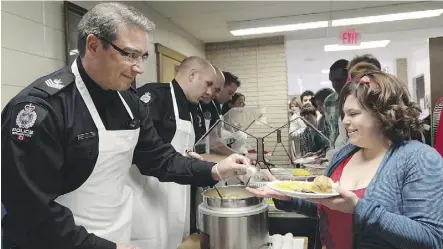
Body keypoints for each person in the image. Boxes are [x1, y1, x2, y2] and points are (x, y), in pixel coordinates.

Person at [1, 3, 252, 249]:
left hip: (117, 235)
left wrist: (215, 169)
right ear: (93, 45)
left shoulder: (129, 101)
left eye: (142, 56)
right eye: (130, 54)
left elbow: (158, 158)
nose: (139, 68)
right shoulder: (43, 109)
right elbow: (30, 211)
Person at [248, 62, 443, 249]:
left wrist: (359, 209)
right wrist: (290, 197)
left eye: (354, 113)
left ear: (385, 113)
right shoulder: (344, 154)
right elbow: (326, 205)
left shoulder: (419, 159)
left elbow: (432, 239)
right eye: (344, 114)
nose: (345, 122)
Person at [128, 56, 222, 249]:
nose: (209, 92)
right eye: (208, 84)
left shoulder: (193, 107)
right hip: (147, 193)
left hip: (177, 191)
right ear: (192, 75)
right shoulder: (154, 98)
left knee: (178, 239)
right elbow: (144, 154)